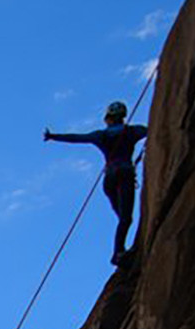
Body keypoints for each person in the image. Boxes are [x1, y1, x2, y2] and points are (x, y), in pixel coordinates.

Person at [44, 102, 148, 265]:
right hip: (125, 174)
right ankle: (118, 252)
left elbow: (77, 138)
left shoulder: (101, 135)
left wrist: (53, 136)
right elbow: (149, 130)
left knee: (123, 218)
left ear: (109, 119)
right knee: (126, 219)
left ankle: (119, 252)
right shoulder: (133, 131)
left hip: (110, 179)